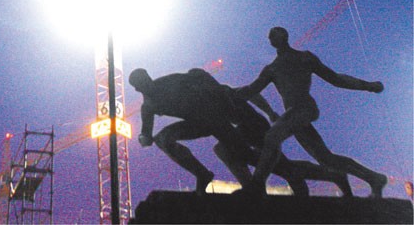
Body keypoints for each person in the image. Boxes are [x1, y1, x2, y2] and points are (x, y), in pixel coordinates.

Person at [235, 26, 387, 197]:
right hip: (294, 115)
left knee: (272, 136)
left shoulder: (304, 58)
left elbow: (335, 78)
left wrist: (368, 86)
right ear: (271, 42)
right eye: (272, 36)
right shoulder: (272, 69)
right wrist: (229, 93)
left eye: (277, 34)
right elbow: (251, 90)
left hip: (304, 108)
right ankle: (374, 178)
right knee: (326, 159)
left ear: (285, 36)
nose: (275, 38)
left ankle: (256, 185)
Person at [129, 67, 255, 195]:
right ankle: (202, 174)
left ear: (149, 78)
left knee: (245, 154)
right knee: (164, 139)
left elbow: (198, 74)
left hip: (214, 116)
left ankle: (264, 173)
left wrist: (224, 101)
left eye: (146, 80)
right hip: (196, 124)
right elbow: (145, 134)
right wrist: (144, 139)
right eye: (142, 84)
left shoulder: (170, 81)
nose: (147, 85)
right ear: (138, 89)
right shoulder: (148, 106)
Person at [213, 91, 353, 197]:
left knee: (224, 149)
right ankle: (332, 175)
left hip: (252, 126)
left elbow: (250, 94)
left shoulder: (216, 92)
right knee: (282, 166)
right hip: (248, 127)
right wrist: (269, 112)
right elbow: (251, 94)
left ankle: (254, 186)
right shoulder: (212, 94)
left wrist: (269, 112)